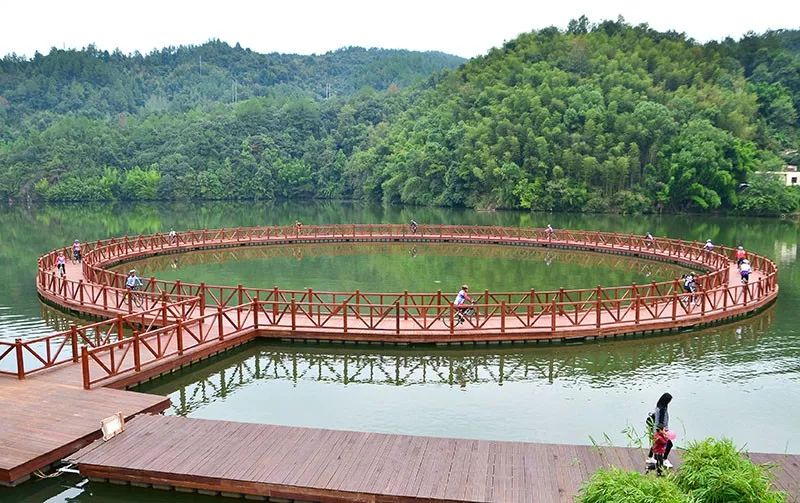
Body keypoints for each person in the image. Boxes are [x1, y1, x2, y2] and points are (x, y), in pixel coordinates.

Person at [646, 393, 673, 468]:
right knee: (669, 445)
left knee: (656, 443)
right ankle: (664, 459)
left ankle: (650, 457)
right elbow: (661, 422)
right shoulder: (662, 409)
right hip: (661, 430)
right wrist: (664, 432)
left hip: (657, 429)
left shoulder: (659, 406)